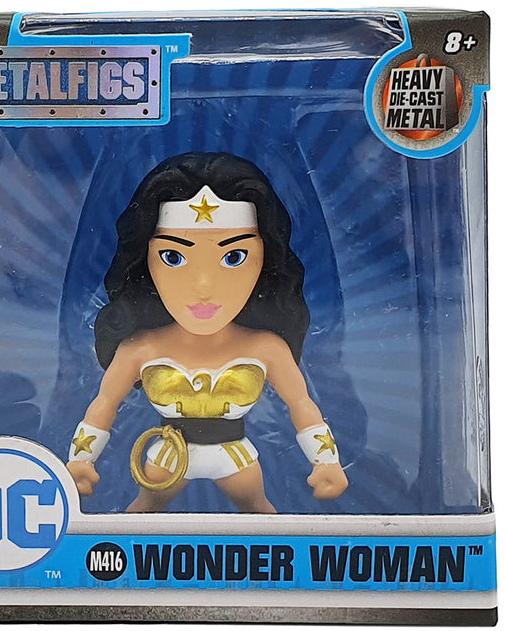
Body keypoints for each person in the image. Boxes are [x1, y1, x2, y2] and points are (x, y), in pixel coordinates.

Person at [66, 152, 348, 512]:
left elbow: (302, 404)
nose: (203, 287)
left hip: (236, 459)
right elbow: (104, 403)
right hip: (166, 460)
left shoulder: (267, 348)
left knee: (264, 523)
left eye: (234, 257)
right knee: (139, 521)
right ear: (145, 261)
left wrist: (326, 463)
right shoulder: (140, 349)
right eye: (173, 257)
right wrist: (81, 460)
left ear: (265, 260)